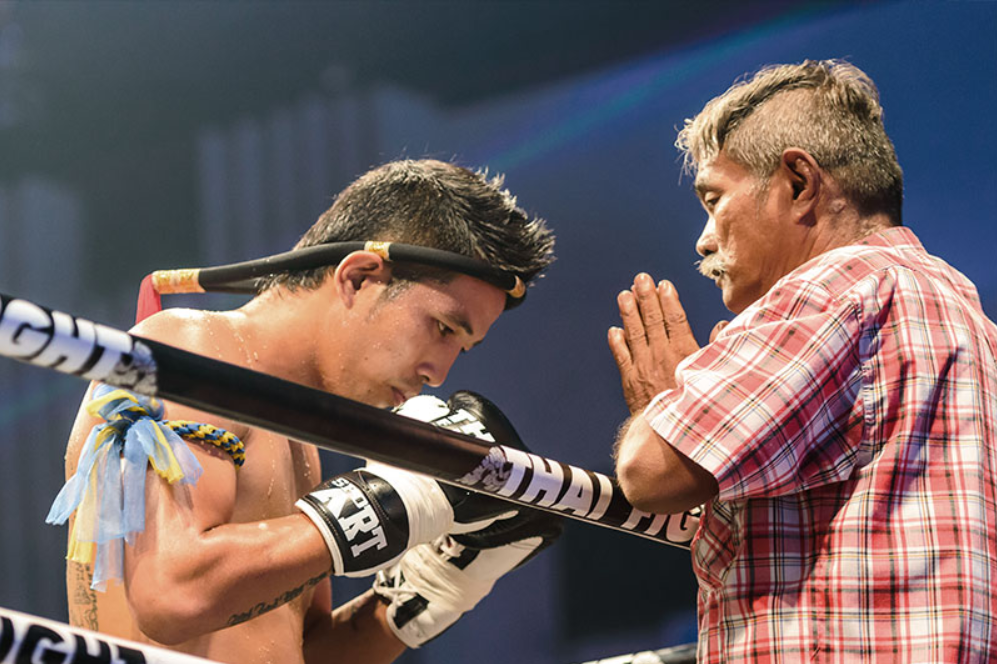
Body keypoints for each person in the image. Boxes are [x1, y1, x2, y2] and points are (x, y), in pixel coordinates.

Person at [52, 159, 558, 663]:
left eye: (462, 349)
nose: (440, 373)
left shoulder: (299, 441)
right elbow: (170, 595)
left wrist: (432, 587)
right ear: (359, 277)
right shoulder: (190, 348)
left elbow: (301, 652)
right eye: (444, 328)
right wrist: (389, 504)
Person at [608, 60, 997, 662]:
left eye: (715, 200)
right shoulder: (968, 314)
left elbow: (650, 472)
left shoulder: (836, 287)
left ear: (798, 183)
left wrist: (669, 401)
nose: (704, 239)